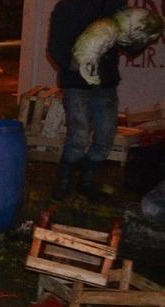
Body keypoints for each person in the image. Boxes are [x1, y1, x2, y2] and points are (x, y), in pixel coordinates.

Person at [47, 0, 126, 201]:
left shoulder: (116, 5)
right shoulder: (67, 7)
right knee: (79, 136)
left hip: (106, 82)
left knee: (105, 137)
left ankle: (86, 182)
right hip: (76, 83)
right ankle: (63, 183)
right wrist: (72, 64)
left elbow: (125, 41)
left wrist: (137, 39)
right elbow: (55, 47)